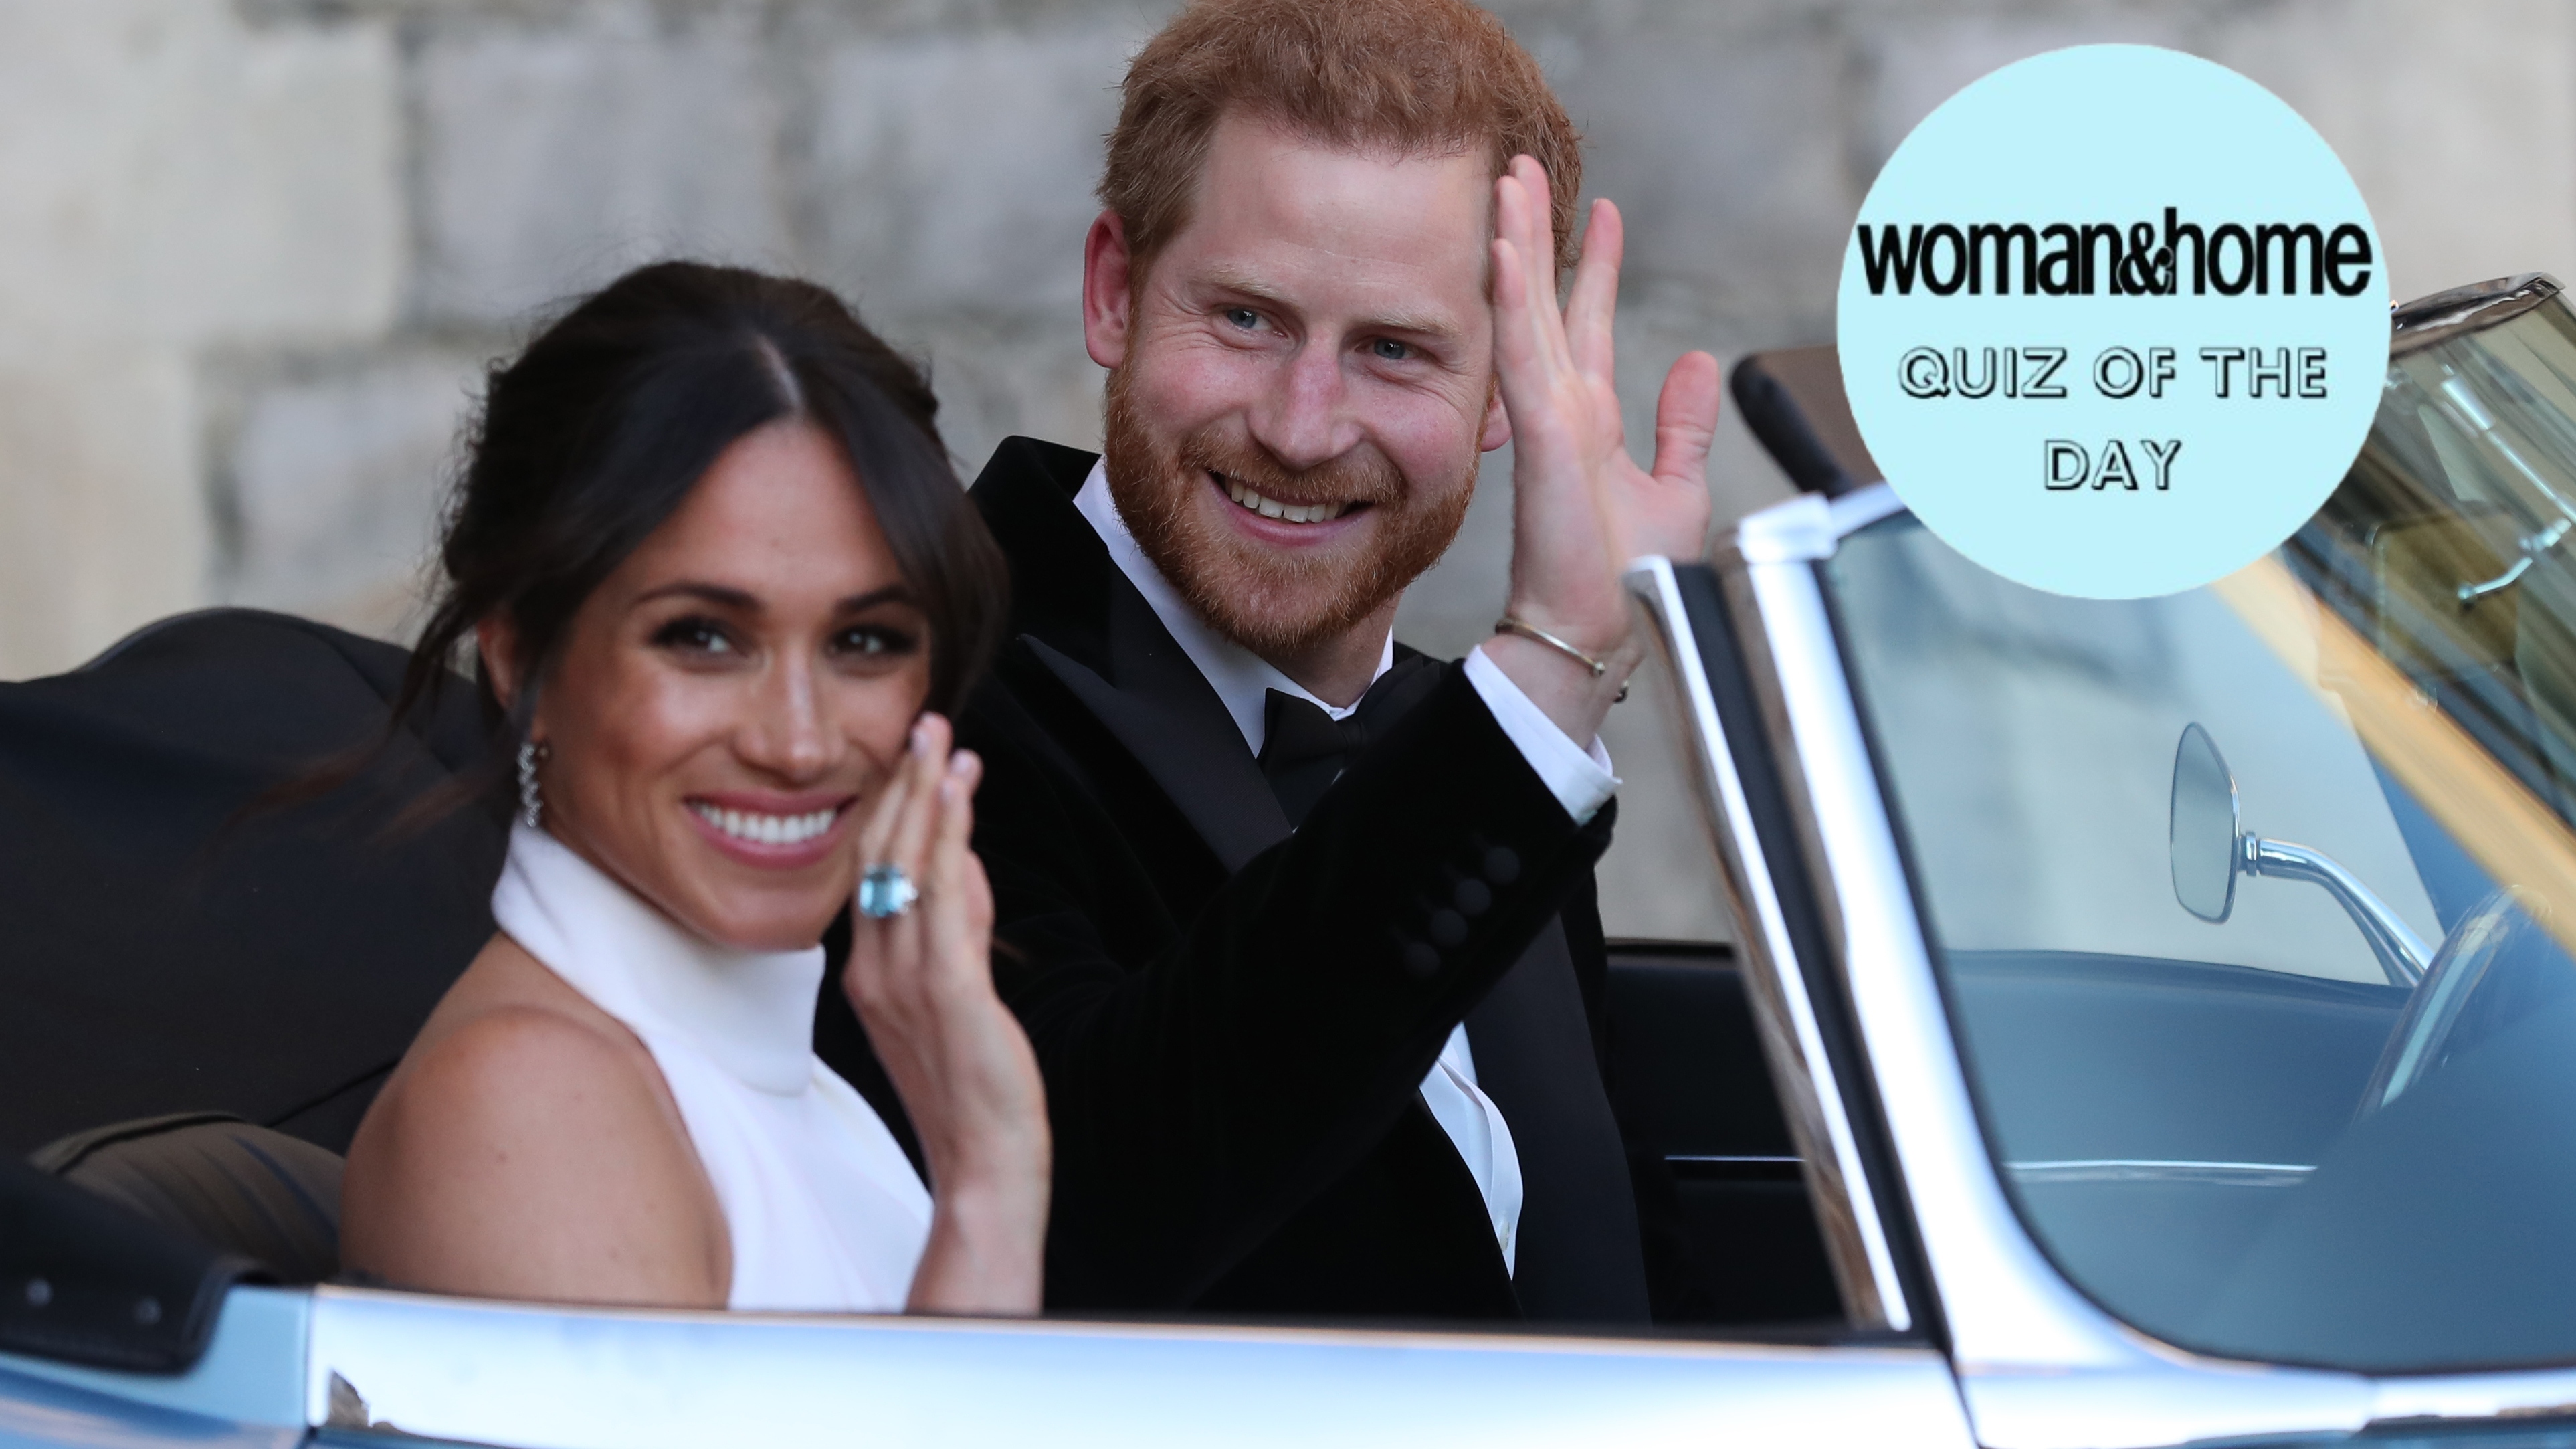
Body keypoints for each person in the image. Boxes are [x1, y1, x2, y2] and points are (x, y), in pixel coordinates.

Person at [815, 0, 1719, 1322]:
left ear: (1497, 403)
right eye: (1245, 319)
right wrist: (1553, 670)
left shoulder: (1473, 748)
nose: (1304, 427)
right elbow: (1082, 1204)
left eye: (1394, 350)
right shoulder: (912, 693)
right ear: (1115, 292)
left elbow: (1619, 1278)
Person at [339, 262, 1050, 1315]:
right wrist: (990, 1190)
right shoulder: (529, 1105)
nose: (800, 742)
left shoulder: (800, 1089)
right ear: (517, 653)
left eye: (865, 640)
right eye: (704, 638)